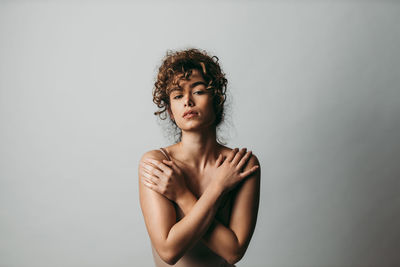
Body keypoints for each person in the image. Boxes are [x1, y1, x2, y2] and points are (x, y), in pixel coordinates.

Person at [138, 48, 261, 266]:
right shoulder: (157, 164)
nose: (187, 101)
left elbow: (234, 252)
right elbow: (169, 250)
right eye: (177, 95)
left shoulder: (242, 165)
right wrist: (218, 188)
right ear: (170, 111)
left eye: (198, 91)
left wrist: (182, 194)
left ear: (217, 100)